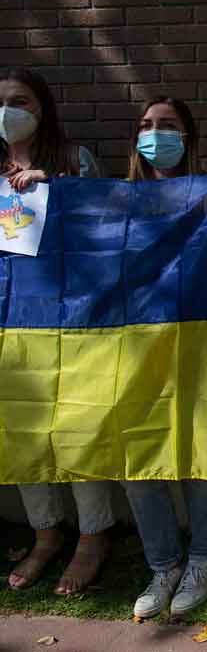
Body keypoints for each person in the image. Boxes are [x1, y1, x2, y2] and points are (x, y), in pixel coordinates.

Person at [120, 96, 207, 618]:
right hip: (132, 348)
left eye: (168, 125)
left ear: (189, 136)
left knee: (202, 454)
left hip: (205, 342)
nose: (156, 133)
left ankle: (203, 560)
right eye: (148, 125)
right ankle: (163, 564)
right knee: (137, 458)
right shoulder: (115, 201)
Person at [2, 66, 113, 595]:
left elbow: (112, 217)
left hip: (70, 314)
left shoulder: (74, 159)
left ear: (41, 107)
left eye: (18, 99)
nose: (7, 110)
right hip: (8, 320)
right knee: (20, 426)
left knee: (75, 423)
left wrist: (57, 186)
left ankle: (93, 535)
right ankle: (44, 532)